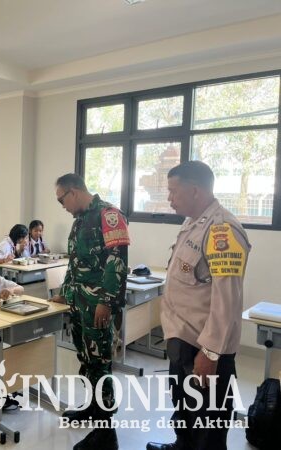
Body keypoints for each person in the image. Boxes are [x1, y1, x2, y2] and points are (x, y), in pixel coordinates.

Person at [146, 161, 250, 450]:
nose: (169, 198)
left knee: (208, 421)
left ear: (194, 190)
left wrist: (210, 352)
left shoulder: (222, 230)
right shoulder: (194, 222)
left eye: (173, 191)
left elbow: (227, 300)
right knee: (185, 409)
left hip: (203, 347)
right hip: (182, 340)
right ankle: (182, 445)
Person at [51, 173, 129, 450]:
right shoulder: (80, 220)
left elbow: (117, 262)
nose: (62, 206)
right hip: (79, 304)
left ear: (73, 192)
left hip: (97, 307)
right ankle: (93, 408)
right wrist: (65, 292)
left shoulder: (109, 215)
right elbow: (75, 264)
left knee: (100, 364)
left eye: (62, 200)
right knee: (86, 360)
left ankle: (106, 433)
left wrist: (106, 301)